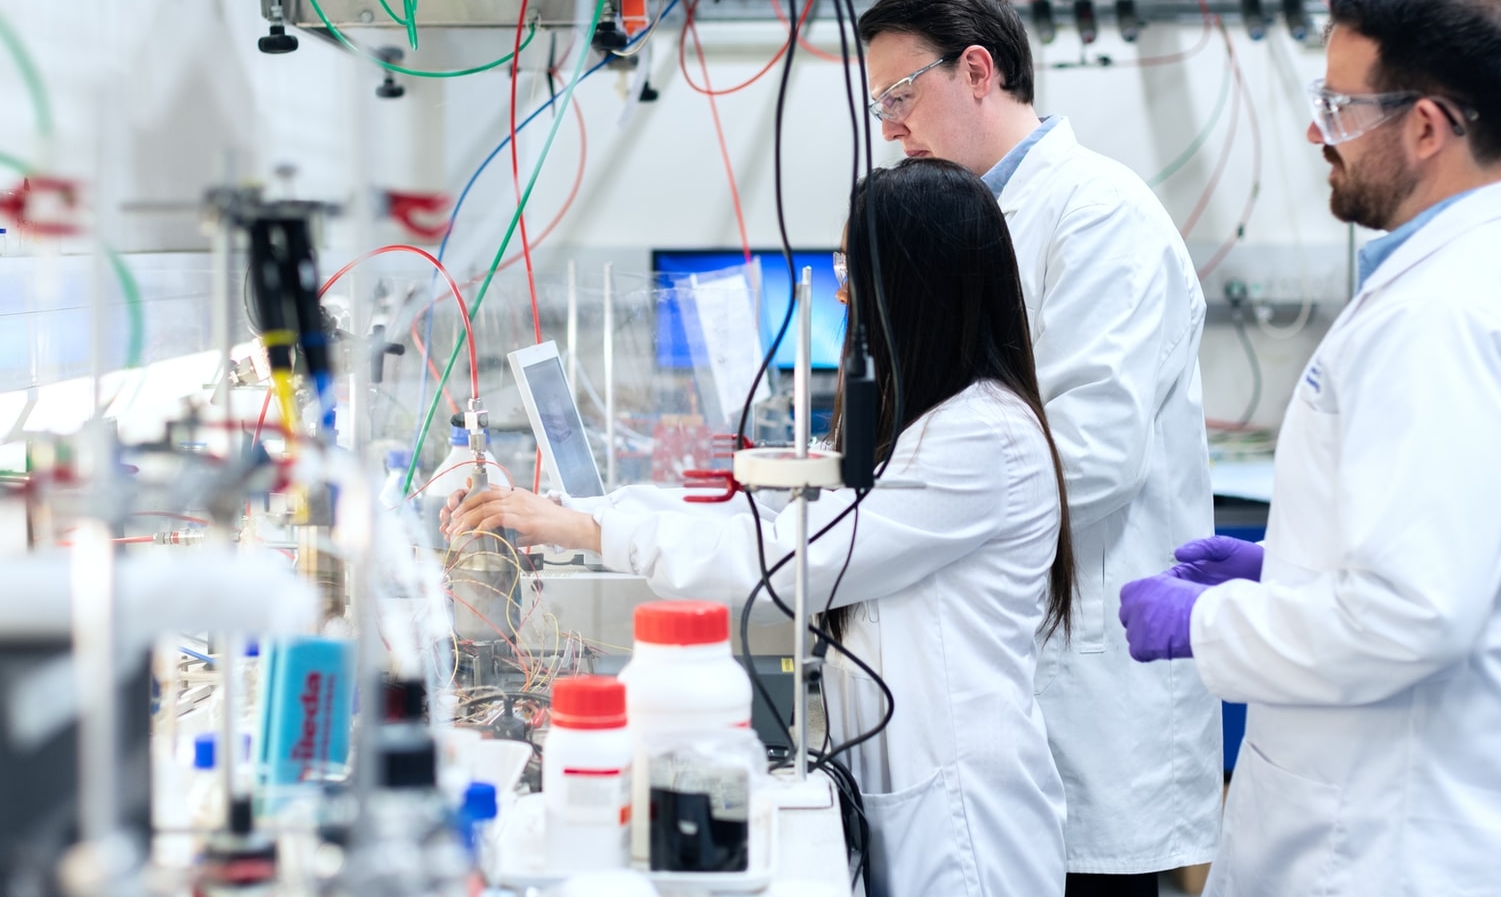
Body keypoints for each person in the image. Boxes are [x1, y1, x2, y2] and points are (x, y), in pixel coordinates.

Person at [1118, 0, 1501, 895]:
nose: (1318, 132)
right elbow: (1472, 555)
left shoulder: (1444, 315)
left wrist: (1210, 621)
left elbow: (1410, 618)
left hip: (1405, 839)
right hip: (1474, 805)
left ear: (1427, 126)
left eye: (1341, 108)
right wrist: (1296, 568)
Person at [447, 159, 1073, 897]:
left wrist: (590, 529)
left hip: (965, 828)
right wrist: (599, 514)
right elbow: (777, 517)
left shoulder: (978, 438)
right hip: (917, 790)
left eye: (853, 268)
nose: (841, 290)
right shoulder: (937, 421)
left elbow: (787, 565)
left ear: (916, 282)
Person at [855, 0, 1219, 894]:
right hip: (1004, 674)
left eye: (900, 97)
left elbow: (1089, 456)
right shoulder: (968, 222)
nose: (891, 128)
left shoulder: (1100, 214)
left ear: (977, 70)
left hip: (1088, 681)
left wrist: (901, 525)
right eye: (880, 107)